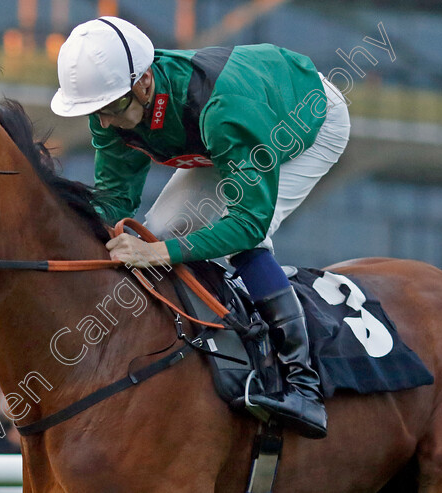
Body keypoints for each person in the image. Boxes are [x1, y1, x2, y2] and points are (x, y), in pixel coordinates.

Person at [50, 17, 351, 439]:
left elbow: (247, 223)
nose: (103, 124)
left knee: (235, 243)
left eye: (110, 109)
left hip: (304, 122)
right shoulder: (111, 107)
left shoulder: (224, 112)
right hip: (235, 127)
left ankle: (304, 385)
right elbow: (115, 203)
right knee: (156, 230)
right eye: (92, 113)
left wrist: (160, 253)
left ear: (144, 83)